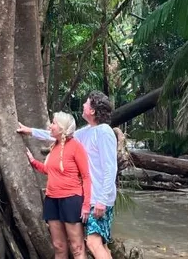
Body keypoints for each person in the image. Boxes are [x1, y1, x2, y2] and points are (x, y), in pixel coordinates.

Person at [19, 92, 117, 259]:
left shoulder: (104, 132)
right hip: (87, 197)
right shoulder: (85, 132)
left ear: (93, 111)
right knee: (97, 244)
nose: (83, 106)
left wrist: (102, 200)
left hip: (99, 198)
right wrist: (29, 131)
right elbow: (57, 134)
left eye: (86, 103)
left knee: (93, 243)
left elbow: (110, 168)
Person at [25, 111, 91, 259]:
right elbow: (50, 170)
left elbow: (86, 177)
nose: (50, 126)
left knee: (77, 247)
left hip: (71, 199)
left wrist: (86, 205)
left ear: (62, 128)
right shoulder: (55, 146)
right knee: (59, 246)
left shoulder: (75, 146)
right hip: (52, 199)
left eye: (53, 123)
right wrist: (33, 161)